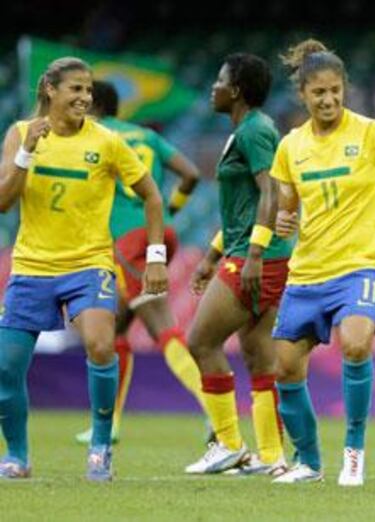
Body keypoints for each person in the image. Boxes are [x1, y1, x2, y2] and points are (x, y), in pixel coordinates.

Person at [269, 39, 375, 486]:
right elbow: (286, 205)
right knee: (285, 367)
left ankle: (354, 451)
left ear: (345, 88)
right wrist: (285, 219)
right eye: (318, 93)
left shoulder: (373, 134)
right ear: (303, 95)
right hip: (307, 271)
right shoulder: (291, 146)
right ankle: (307, 462)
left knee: (358, 342)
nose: (328, 100)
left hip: (359, 266)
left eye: (335, 90)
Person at [0, 57, 167, 481]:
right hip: (32, 266)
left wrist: (155, 258)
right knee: (6, 368)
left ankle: (99, 446)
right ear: (50, 90)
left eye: (88, 89)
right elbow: (3, 201)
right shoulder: (20, 134)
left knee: (100, 344)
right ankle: (17, 456)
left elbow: (151, 196)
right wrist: (25, 152)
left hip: (89, 264)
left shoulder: (107, 142)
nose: (84, 97)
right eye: (75, 88)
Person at [74, 80, 205, 445]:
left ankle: (217, 416)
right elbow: (192, 173)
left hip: (126, 241)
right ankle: (109, 423)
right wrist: (173, 209)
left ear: (92, 105)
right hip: (157, 232)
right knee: (115, 329)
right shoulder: (145, 135)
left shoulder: (96, 136)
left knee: (162, 326)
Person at [183, 53, 290, 476]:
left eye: (220, 80)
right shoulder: (248, 130)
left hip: (257, 257)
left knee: (200, 342)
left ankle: (227, 443)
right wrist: (211, 256)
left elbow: (273, 194)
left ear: (238, 91)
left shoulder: (255, 131)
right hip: (253, 252)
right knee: (258, 356)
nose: (214, 87)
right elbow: (242, 211)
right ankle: (271, 456)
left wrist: (255, 255)